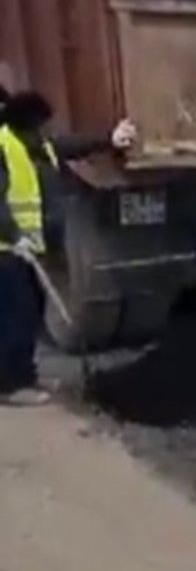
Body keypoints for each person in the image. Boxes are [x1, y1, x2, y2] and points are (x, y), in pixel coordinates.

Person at [0, 88, 137, 406]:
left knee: (31, 312)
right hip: (7, 251)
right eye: (43, 125)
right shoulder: (3, 147)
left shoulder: (37, 145)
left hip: (29, 248)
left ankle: (25, 376)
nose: (49, 131)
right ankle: (9, 385)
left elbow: (70, 146)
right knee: (14, 316)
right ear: (27, 125)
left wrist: (109, 138)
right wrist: (13, 234)